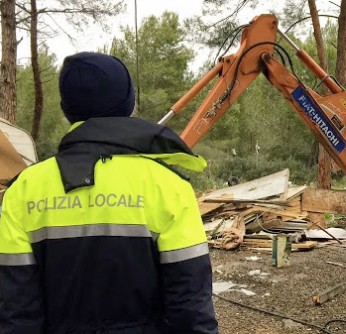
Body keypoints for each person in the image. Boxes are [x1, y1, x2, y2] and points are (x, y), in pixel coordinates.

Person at [0, 52, 219, 333]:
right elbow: (191, 310)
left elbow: (16, 312)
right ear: (127, 103)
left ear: (67, 110)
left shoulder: (24, 190)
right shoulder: (169, 187)